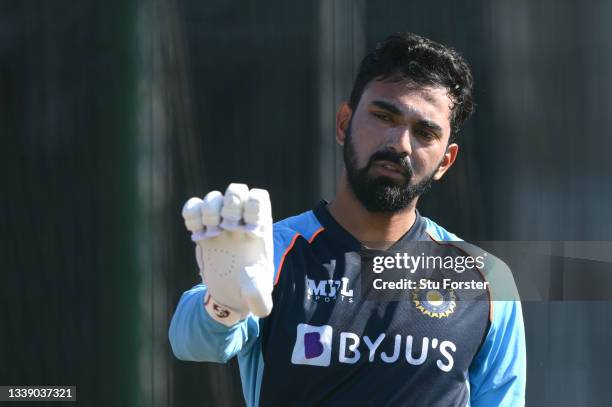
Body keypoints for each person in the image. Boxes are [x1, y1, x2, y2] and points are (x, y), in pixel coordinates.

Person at [169, 32, 526, 407]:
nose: (400, 144)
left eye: (424, 132)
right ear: (343, 124)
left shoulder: (486, 280)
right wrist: (223, 302)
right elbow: (192, 343)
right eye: (384, 116)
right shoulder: (272, 252)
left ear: (446, 161)